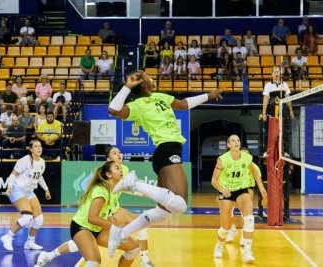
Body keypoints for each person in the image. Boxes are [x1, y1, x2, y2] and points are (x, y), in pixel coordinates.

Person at [106, 70, 222, 258]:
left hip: (171, 151)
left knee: (163, 212)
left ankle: (121, 233)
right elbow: (113, 110)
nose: (152, 77)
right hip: (166, 150)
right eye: (147, 76)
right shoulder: (137, 105)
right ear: (142, 84)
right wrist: (127, 87)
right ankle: (133, 184)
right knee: (180, 204)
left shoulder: (161, 96)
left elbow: (184, 104)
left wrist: (208, 95)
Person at [35, 147, 156, 267]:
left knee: (133, 247)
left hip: (106, 217)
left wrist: (152, 195)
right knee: (92, 259)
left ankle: (144, 260)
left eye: (119, 152)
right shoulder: (101, 188)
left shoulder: (121, 172)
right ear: (108, 171)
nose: (119, 155)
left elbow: (128, 188)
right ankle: (48, 256)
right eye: (114, 153)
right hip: (84, 225)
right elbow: (92, 218)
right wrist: (113, 226)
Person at [211, 135, 267, 263]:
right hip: (226, 191)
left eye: (238, 140)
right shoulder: (223, 159)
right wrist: (221, 189)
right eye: (233, 140)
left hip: (242, 189)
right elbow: (213, 180)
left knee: (249, 218)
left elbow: (255, 173)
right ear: (228, 145)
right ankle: (219, 245)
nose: (236, 142)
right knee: (226, 226)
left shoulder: (247, 157)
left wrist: (262, 188)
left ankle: (247, 252)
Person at [0, 139, 51, 251]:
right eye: (36, 146)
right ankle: (8, 237)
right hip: (17, 189)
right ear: (31, 149)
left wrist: (46, 189)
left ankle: (30, 242)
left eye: (40, 146)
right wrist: (9, 187)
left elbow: (39, 176)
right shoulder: (25, 160)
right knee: (27, 217)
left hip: (29, 191)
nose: (39, 148)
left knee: (39, 218)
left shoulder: (42, 162)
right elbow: (13, 174)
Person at [225, 147, 261, 246]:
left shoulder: (254, 167)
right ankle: (232, 229)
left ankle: (243, 236)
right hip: (233, 188)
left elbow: (258, 180)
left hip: (248, 188)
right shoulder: (234, 165)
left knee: (244, 213)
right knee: (227, 211)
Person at [261, 66, 294, 156]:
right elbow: (265, 99)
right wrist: (263, 112)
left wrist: (291, 111)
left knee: (285, 131)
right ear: (272, 74)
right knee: (268, 131)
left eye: (278, 72)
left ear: (280, 74)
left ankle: (285, 151)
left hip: (283, 112)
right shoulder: (268, 85)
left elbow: (288, 98)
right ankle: (266, 151)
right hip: (271, 112)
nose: (276, 74)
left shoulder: (285, 85)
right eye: (275, 72)